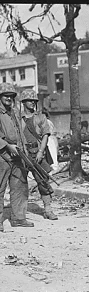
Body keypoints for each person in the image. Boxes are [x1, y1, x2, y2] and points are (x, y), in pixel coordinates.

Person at [20, 89, 58, 220]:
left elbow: (45, 135)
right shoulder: (18, 119)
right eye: (29, 100)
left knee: (43, 182)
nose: (32, 103)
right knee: (20, 183)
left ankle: (48, 209)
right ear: (23, 102)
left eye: (34, 101)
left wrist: (41, 152)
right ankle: (20, 213)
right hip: (23, 155)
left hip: (37, 153)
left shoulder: (41, 117)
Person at [0, 83, 34, 231]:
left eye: (11, 96)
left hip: (17, 154)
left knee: (20, 186)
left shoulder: (14, 112)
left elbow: (20, 132)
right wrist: (7, 146)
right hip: (2, 155)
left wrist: (24, 150)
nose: (9, 98)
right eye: (6, 95)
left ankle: (19, 218)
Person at [42, 108, 59, 174]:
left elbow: (52, 132)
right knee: (48, 154)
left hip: (50, 139)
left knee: (52, 153)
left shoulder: (47, 122)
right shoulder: (44, 122)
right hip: (48, 139)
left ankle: (53, 168)